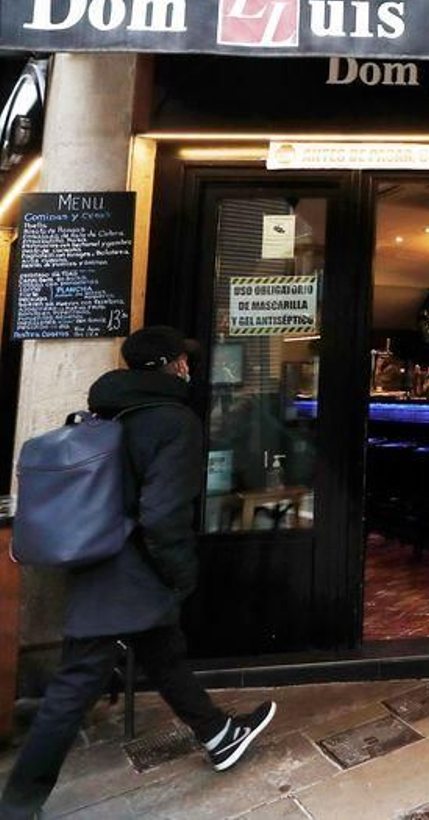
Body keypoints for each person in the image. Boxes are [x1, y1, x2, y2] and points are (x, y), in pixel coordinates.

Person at [0, 327, 276, 820]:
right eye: (183, 361)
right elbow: (163, 514)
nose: (187, 367)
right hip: (132, 570)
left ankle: (217, 734)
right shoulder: (174, 422)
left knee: (164, 653)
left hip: (97, 558)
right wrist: (181, 574)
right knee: (74, 686)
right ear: (173, 365)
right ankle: (19, 803)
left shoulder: (106, 411)